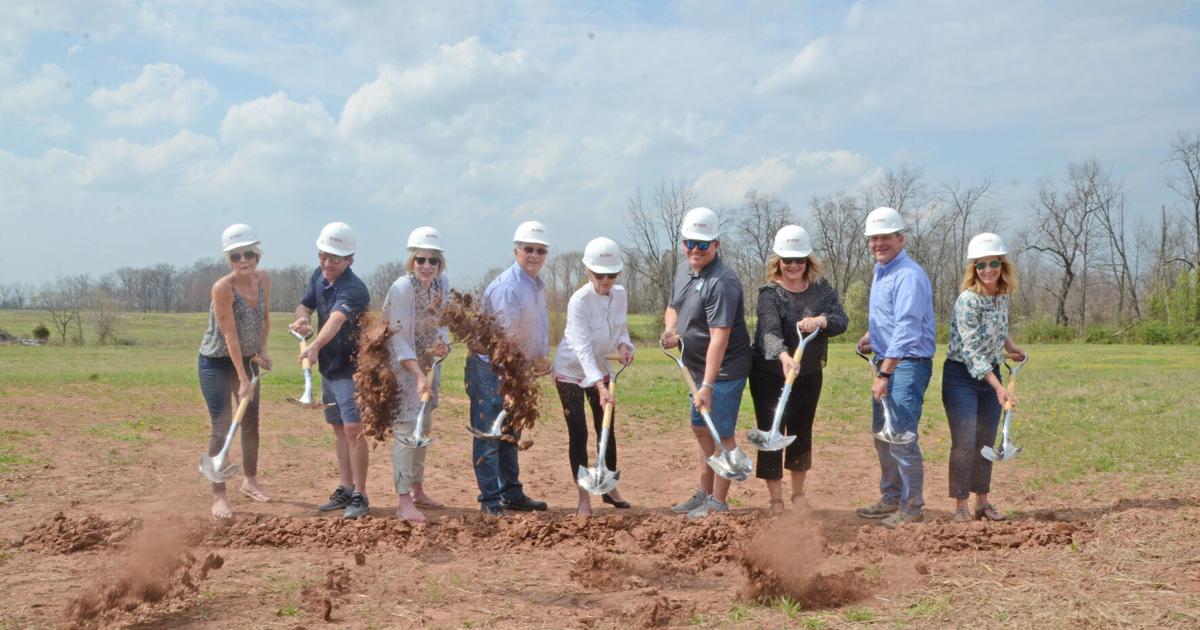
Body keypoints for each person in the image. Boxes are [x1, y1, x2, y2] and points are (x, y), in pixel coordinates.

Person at [660, 207, 753, 519]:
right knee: (700, 426)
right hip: (696, 367)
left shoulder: (723, 282)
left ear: (717, 244)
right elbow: (673, 306)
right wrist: (671, 329)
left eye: (702, 245)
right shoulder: (683, 269)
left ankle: (718, 502)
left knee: (721, 431)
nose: (695, 250)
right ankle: (703, 493)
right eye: (689, 243)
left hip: (724, 370)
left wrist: (709, 385)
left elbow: (719, 338)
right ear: (682, 243)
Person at [748, 225, 848, 514]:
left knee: (801, 431)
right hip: (770, 375)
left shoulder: (821, 290)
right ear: (778, 261)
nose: (793, 266)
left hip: (808, 374)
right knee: (771, 431)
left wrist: (821, 321)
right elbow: (768, 330)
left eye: (799, 260)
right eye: (787, 260)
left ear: (808, 261)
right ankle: (776, 500)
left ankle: (798, 495)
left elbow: (841, 319)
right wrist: (782, 356)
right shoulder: (770, 293)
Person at [855, 207, 937, 528]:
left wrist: (886, 372)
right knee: (883, 435)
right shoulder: (882, 270)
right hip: (888, 359)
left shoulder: (909, 275)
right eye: (873, 238)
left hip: (906, 365)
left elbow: (907, 328)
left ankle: (912, 506)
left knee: (901, 435)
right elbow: (890, 318)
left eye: (885, 237)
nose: (878, 244)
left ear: (900, 238)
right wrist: (872, 335)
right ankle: (891, 498)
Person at [466, 220, 553, 516]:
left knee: (511, 431)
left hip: (518, 369)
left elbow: (537, 327)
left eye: (540, 251)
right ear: (516, 251)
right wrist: (516, 373)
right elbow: (505, 340)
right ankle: (490, 500)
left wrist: (540, 355)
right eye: (528, 249)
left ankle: (511, 493)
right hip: (492, 369)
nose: (534, 255)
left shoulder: (537, 286)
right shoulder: (508, 287)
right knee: (490, 432)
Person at [291, 221, 372, 519]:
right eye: (323, 256)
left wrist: (314, 347)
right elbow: (304, 306)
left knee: (354, 429)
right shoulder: (319, 275)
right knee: (339, 428)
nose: (327, 263)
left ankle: (361, 495)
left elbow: (336, 319)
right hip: (330, 368)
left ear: (350, 260)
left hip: (352, 369)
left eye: (335, 259)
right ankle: (345, 487)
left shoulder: (354, 289)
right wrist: (302, 320)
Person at [943, 232, 1026, 523]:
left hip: (991, 373)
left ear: (1003, 266)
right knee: (965, 441)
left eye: (993, 264)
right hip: (961, 377)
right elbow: (973, 351)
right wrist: (999, 387)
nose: (988, 270)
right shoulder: (968, 300)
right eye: (981, 265)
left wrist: (1010, 347)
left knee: (986, 441)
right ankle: (960, 506)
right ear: (973, 269)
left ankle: (983, 503)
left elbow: (996, 329)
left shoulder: (1001, 297)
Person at [551, 237, 635, 516]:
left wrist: (624, 345)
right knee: (579, 432)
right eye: (600, 275)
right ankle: (583, 497)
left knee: (606, 429)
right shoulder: (579, 301)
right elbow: (583, 348)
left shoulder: (620, 294)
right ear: (588, 271)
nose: (606, 280)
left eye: (611, 275)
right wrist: (599, 385)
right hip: (571, 372)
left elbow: (620, 328)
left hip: (603, 368)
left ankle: (610, 488)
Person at [198, 223, 273, 519]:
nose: (243, 260)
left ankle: (250, 481)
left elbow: (264, 319)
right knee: (223, 424)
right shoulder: (222, 288)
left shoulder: (264, 279)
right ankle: (219, 496)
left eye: (248, 254)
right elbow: (229, 335)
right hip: (217, 362)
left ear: (257, 255)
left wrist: (262, 352)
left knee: (251, 423)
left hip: (249, 358)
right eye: (236, 256)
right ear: (229, 260)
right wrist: (243, 379)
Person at [383, 226, 452, 523]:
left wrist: (442, 344)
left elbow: (443, 322)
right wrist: (417, 374)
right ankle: (402, 500)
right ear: (412, 261)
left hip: (428, 365)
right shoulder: (401, 288)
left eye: (432, 261)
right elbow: (398, 337)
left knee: (423, 428)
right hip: (401, 367)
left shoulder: (442, 284)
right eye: (421, 260)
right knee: (406, 431)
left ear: (440, 264)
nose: (426, 266)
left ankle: (417, 490)